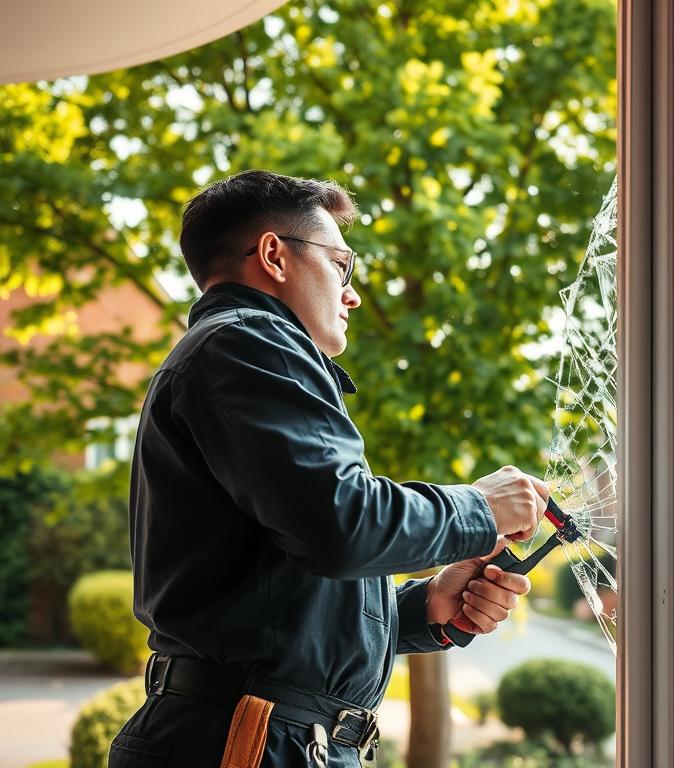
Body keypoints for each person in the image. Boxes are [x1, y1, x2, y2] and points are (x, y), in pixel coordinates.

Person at [108, 170, 549, 768]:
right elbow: (344, 524)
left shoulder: (237, 356)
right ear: (273, 256)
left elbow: (281, 606)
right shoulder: (249, 343)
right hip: (249, 741)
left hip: (258, 733)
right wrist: (480, 507)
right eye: (342, 265)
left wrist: (423, 611)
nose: (352, 293)